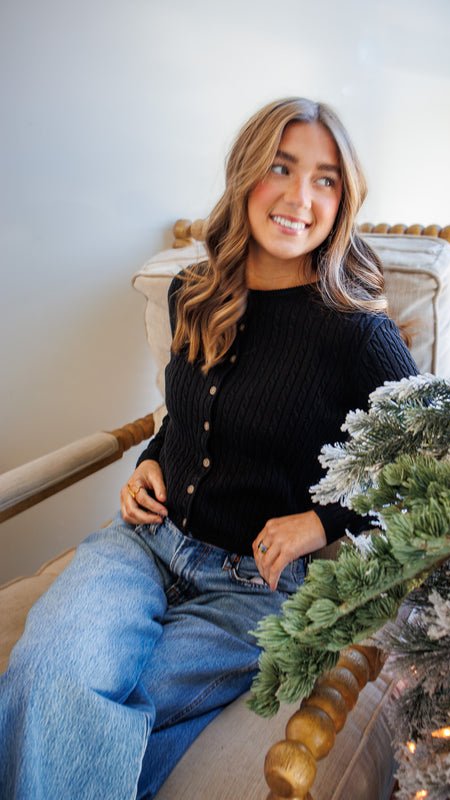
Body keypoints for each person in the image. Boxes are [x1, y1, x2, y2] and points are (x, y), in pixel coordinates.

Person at [0, 97, 418, 799]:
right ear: (245, 175)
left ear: (343, 199)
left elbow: (438, 466)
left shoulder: (357, 335)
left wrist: (326, 523)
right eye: (280, 168)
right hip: (142, 543)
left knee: (87, 714)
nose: (297, 196)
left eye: (324, 179)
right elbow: (184, 419)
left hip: (253, 591)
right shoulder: (192, 293)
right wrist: (147, 464)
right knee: (49, 677)